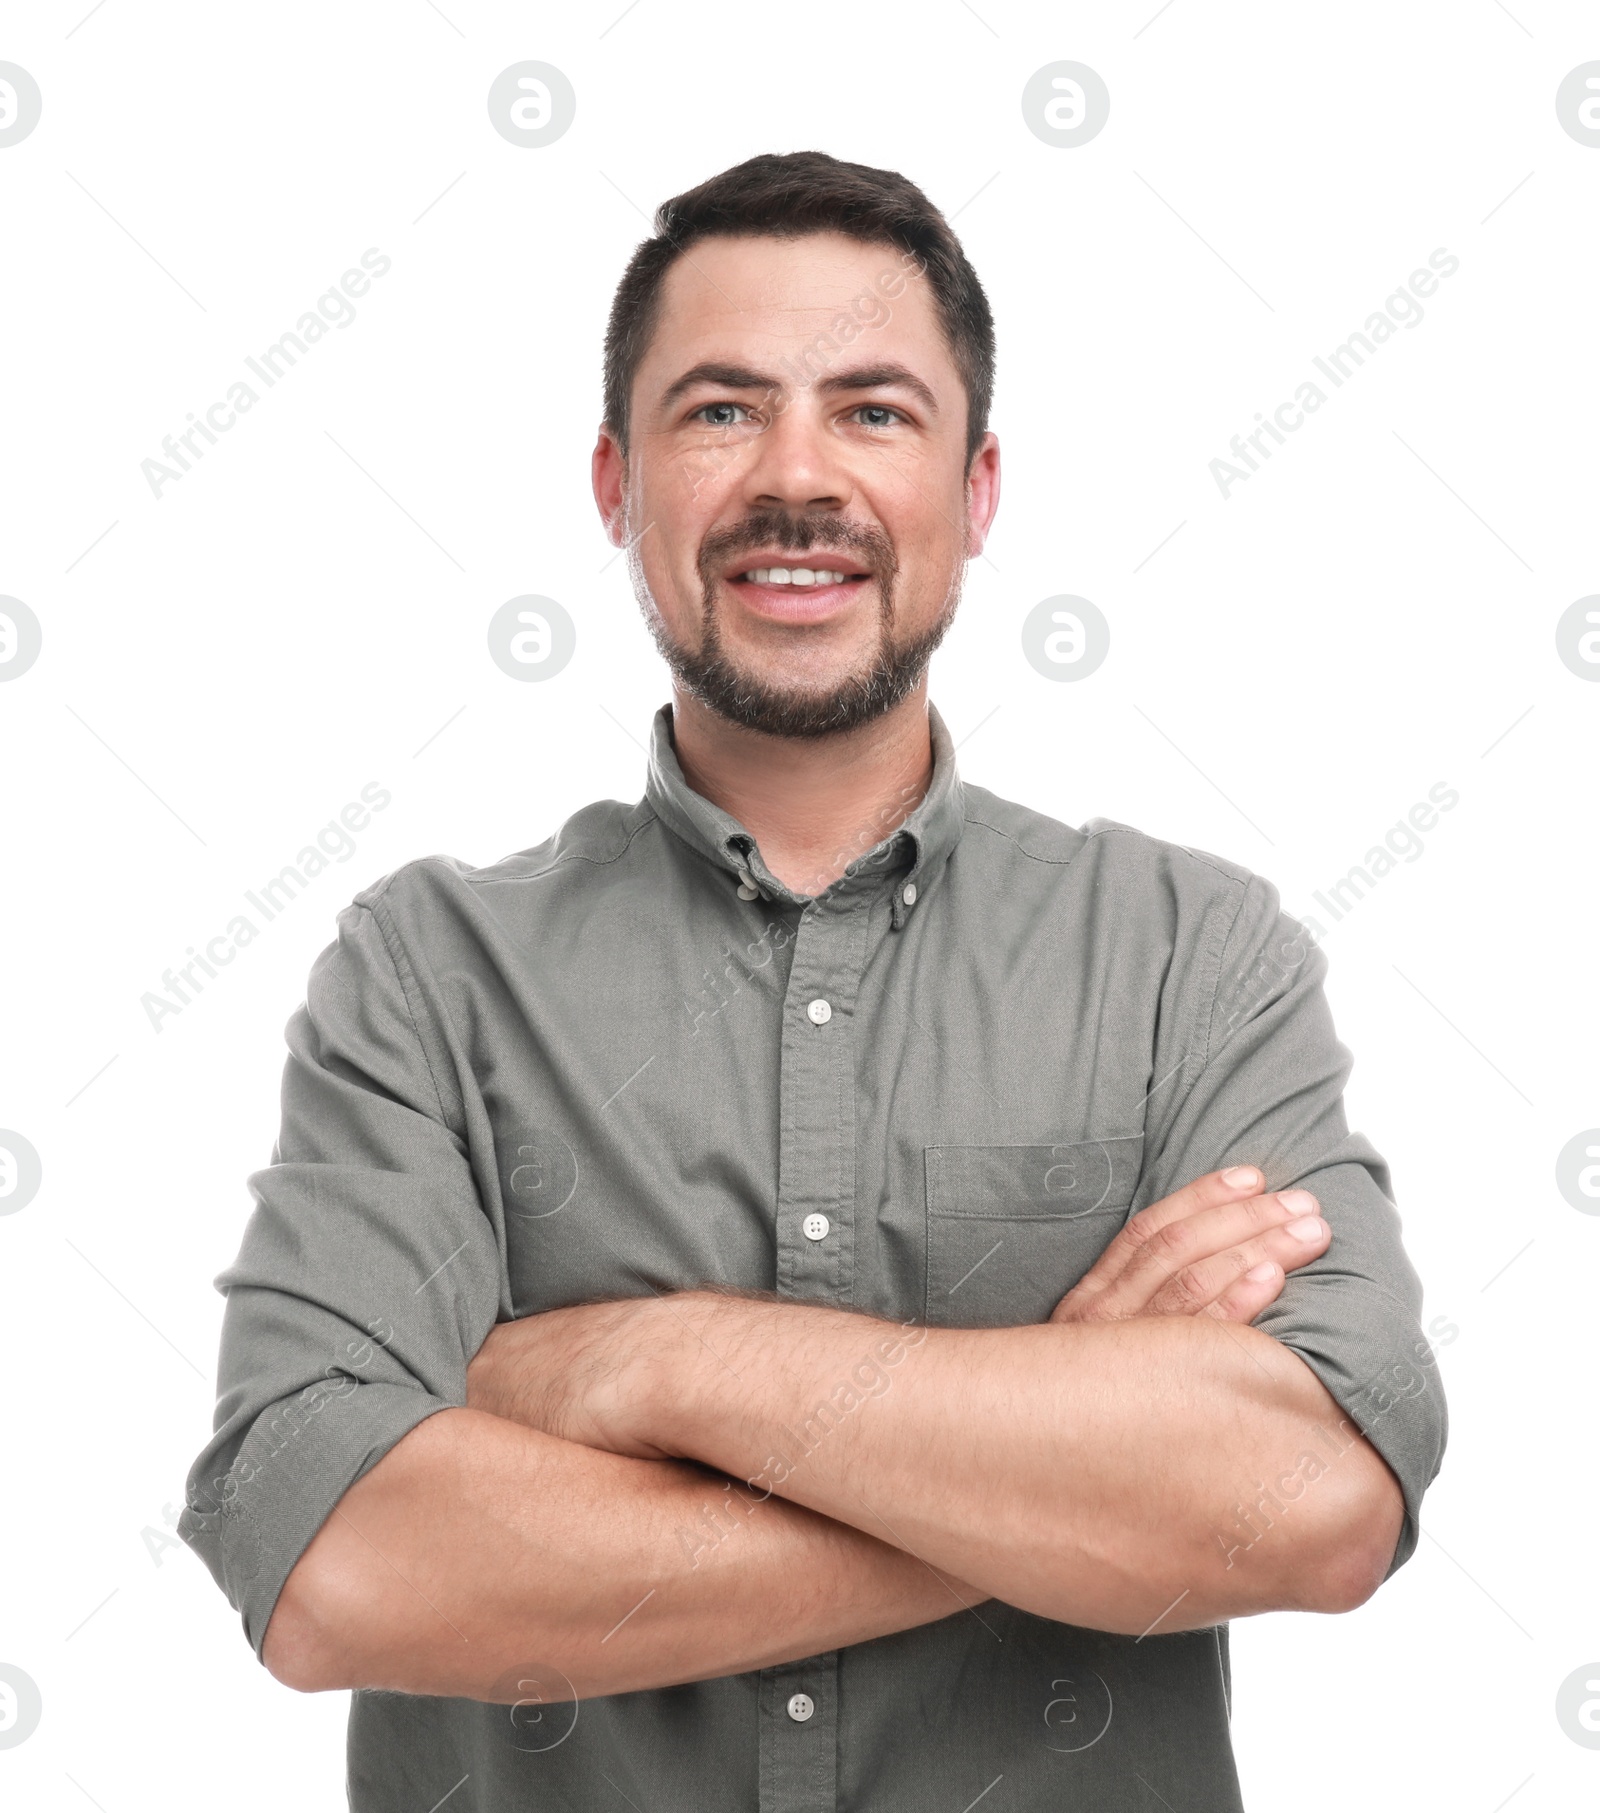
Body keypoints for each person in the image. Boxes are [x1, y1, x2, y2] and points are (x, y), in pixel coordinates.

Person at [181, 151, 1446, 1811]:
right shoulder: (427, 972)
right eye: (719, 412)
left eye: (873, 412)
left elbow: (1318, 1495)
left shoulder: (1190, 958)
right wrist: (1060, 1459)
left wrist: (638, 1364)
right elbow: (332, 1559)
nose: (796, 478)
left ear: (978, 492)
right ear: (615, 485)